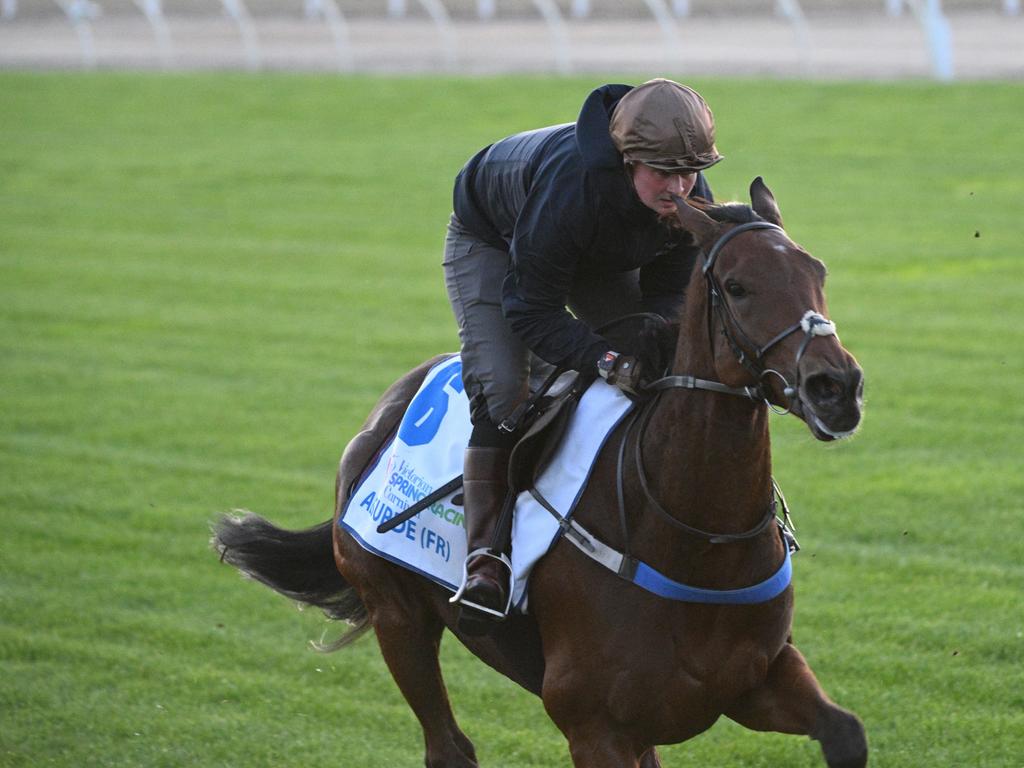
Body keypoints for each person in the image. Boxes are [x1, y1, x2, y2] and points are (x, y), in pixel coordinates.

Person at [443, 78, 723, 627]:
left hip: (596, 247)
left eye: (690, 172)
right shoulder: (572, 188)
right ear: (625, 159)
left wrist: (649, 340)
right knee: (505, 386)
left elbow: (668, 293)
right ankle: (485, 559)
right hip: (496, 239)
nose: (680, 188)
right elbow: (529, 307)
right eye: (664, 173)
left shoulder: (688, 195)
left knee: (653, 359)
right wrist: (604, 360)